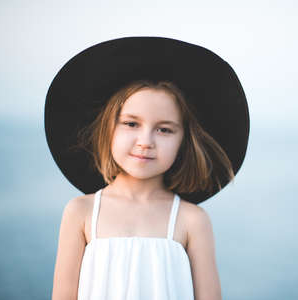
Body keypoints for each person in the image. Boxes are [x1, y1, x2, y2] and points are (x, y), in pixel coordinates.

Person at [45, 37, 249, 300]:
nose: (145, 141)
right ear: (108, 128)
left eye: (164, 129)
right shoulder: (81, 212)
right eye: (131, 124)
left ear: (183, 141)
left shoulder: (192, 220)